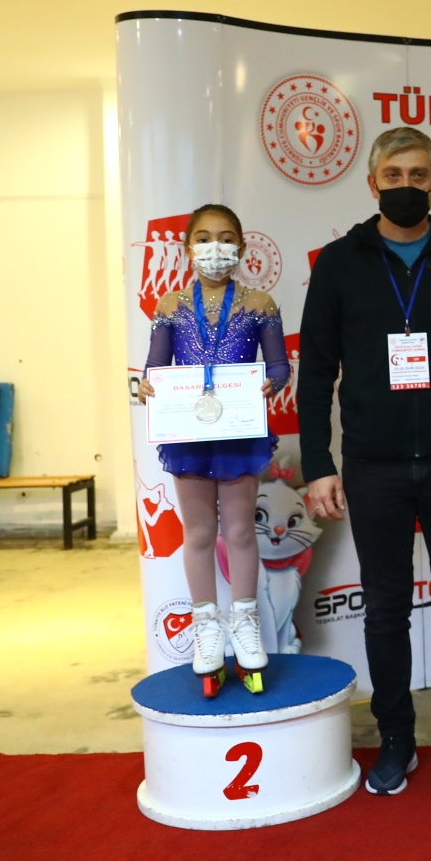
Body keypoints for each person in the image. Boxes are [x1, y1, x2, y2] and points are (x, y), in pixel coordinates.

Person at [296, 127, 431, 796]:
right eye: (393, 176)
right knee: (386, 608)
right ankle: (395, 738)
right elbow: (316, 372)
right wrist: (318, 463)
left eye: (418, 175)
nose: (406, 186)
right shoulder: (339, 263)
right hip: (373, 463)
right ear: (372, 184)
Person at [137, 203, 290, 698]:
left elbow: (280, 366)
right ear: (188, 247)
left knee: (241, 531)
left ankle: (244, 623)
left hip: (240, 430)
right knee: (199, 532)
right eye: (203, 238)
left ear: (241, 248)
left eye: (225, 238)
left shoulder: (260, 302)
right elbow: (155, 367)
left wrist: (270, 383)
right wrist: (148, 386)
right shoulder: (169, 306)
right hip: (189, 432)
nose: (214, 247)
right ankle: (206, 627)